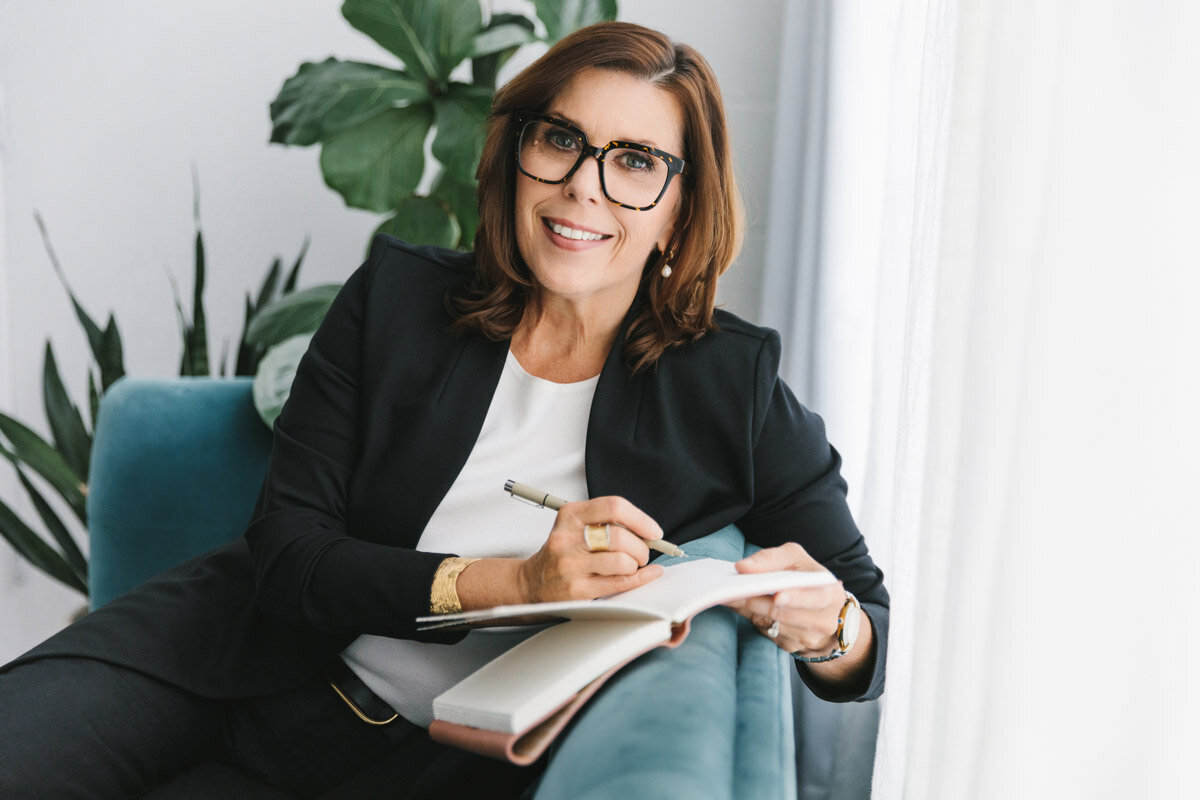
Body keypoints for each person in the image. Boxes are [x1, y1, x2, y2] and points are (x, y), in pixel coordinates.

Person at [0, 20, 888, 799]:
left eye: (635, 163)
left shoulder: (729, 385)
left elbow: (867, 624)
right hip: (221, 661)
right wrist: (518, 583)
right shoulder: (396, 299)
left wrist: (830, 629)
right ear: (516, 157)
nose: (585, 185)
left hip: (438, 767)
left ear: (680, 209)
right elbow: (286, 556)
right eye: (561, 140)